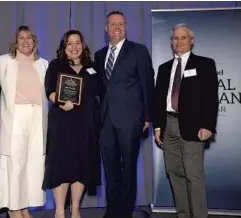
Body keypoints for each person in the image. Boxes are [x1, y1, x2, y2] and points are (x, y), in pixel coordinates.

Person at [153, 23, 218, 218]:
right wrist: (158, 126)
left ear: (192, 41)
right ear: (171, 42)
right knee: (174, 173)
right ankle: (183, 215)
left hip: (193, 127)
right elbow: (158, 100)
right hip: (168, 126)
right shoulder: (164, 68)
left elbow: (211, 97)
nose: (178, 41)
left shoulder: (205, 64)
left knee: (193, 175)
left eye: (183, 38)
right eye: (175, 38)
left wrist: (208, 125)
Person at [94, 11, 155, 218]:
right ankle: (112, 211)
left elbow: (148, 84)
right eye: (112, 24)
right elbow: (99, 88)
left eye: (120, 24)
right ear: (106, 28)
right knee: (110, 170)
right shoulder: (99, 55)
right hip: (105, 122)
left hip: (131, 119)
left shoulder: (138, 51)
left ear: (126, 27)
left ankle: (125, 213)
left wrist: (147, 116)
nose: (117, 27)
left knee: (128, 168)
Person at [42, 30, 101, 218]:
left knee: (82, 165)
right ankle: (59, 210)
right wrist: (59, 101)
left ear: (83, 45)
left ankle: (75, 208)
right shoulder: (56, 65)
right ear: (63, 47)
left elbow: (100, 92)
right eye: (69, 44)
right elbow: (50, 90)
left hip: (86, 124)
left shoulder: (93, 67)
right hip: (62, 124)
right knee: (61, 165)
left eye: (78, 43)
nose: (74, 47)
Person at [0, 25, 49, 218]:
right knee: (16, 164)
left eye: (29, 38)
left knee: (33, 164)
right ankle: (14, 209)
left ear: (34, 41)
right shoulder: (3, 62)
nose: (25, 41)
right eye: (21, 38)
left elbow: (52, 92)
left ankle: (24, 206)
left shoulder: (44, 64)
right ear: (15, 42)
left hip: (38, 118)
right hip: (16, 117)